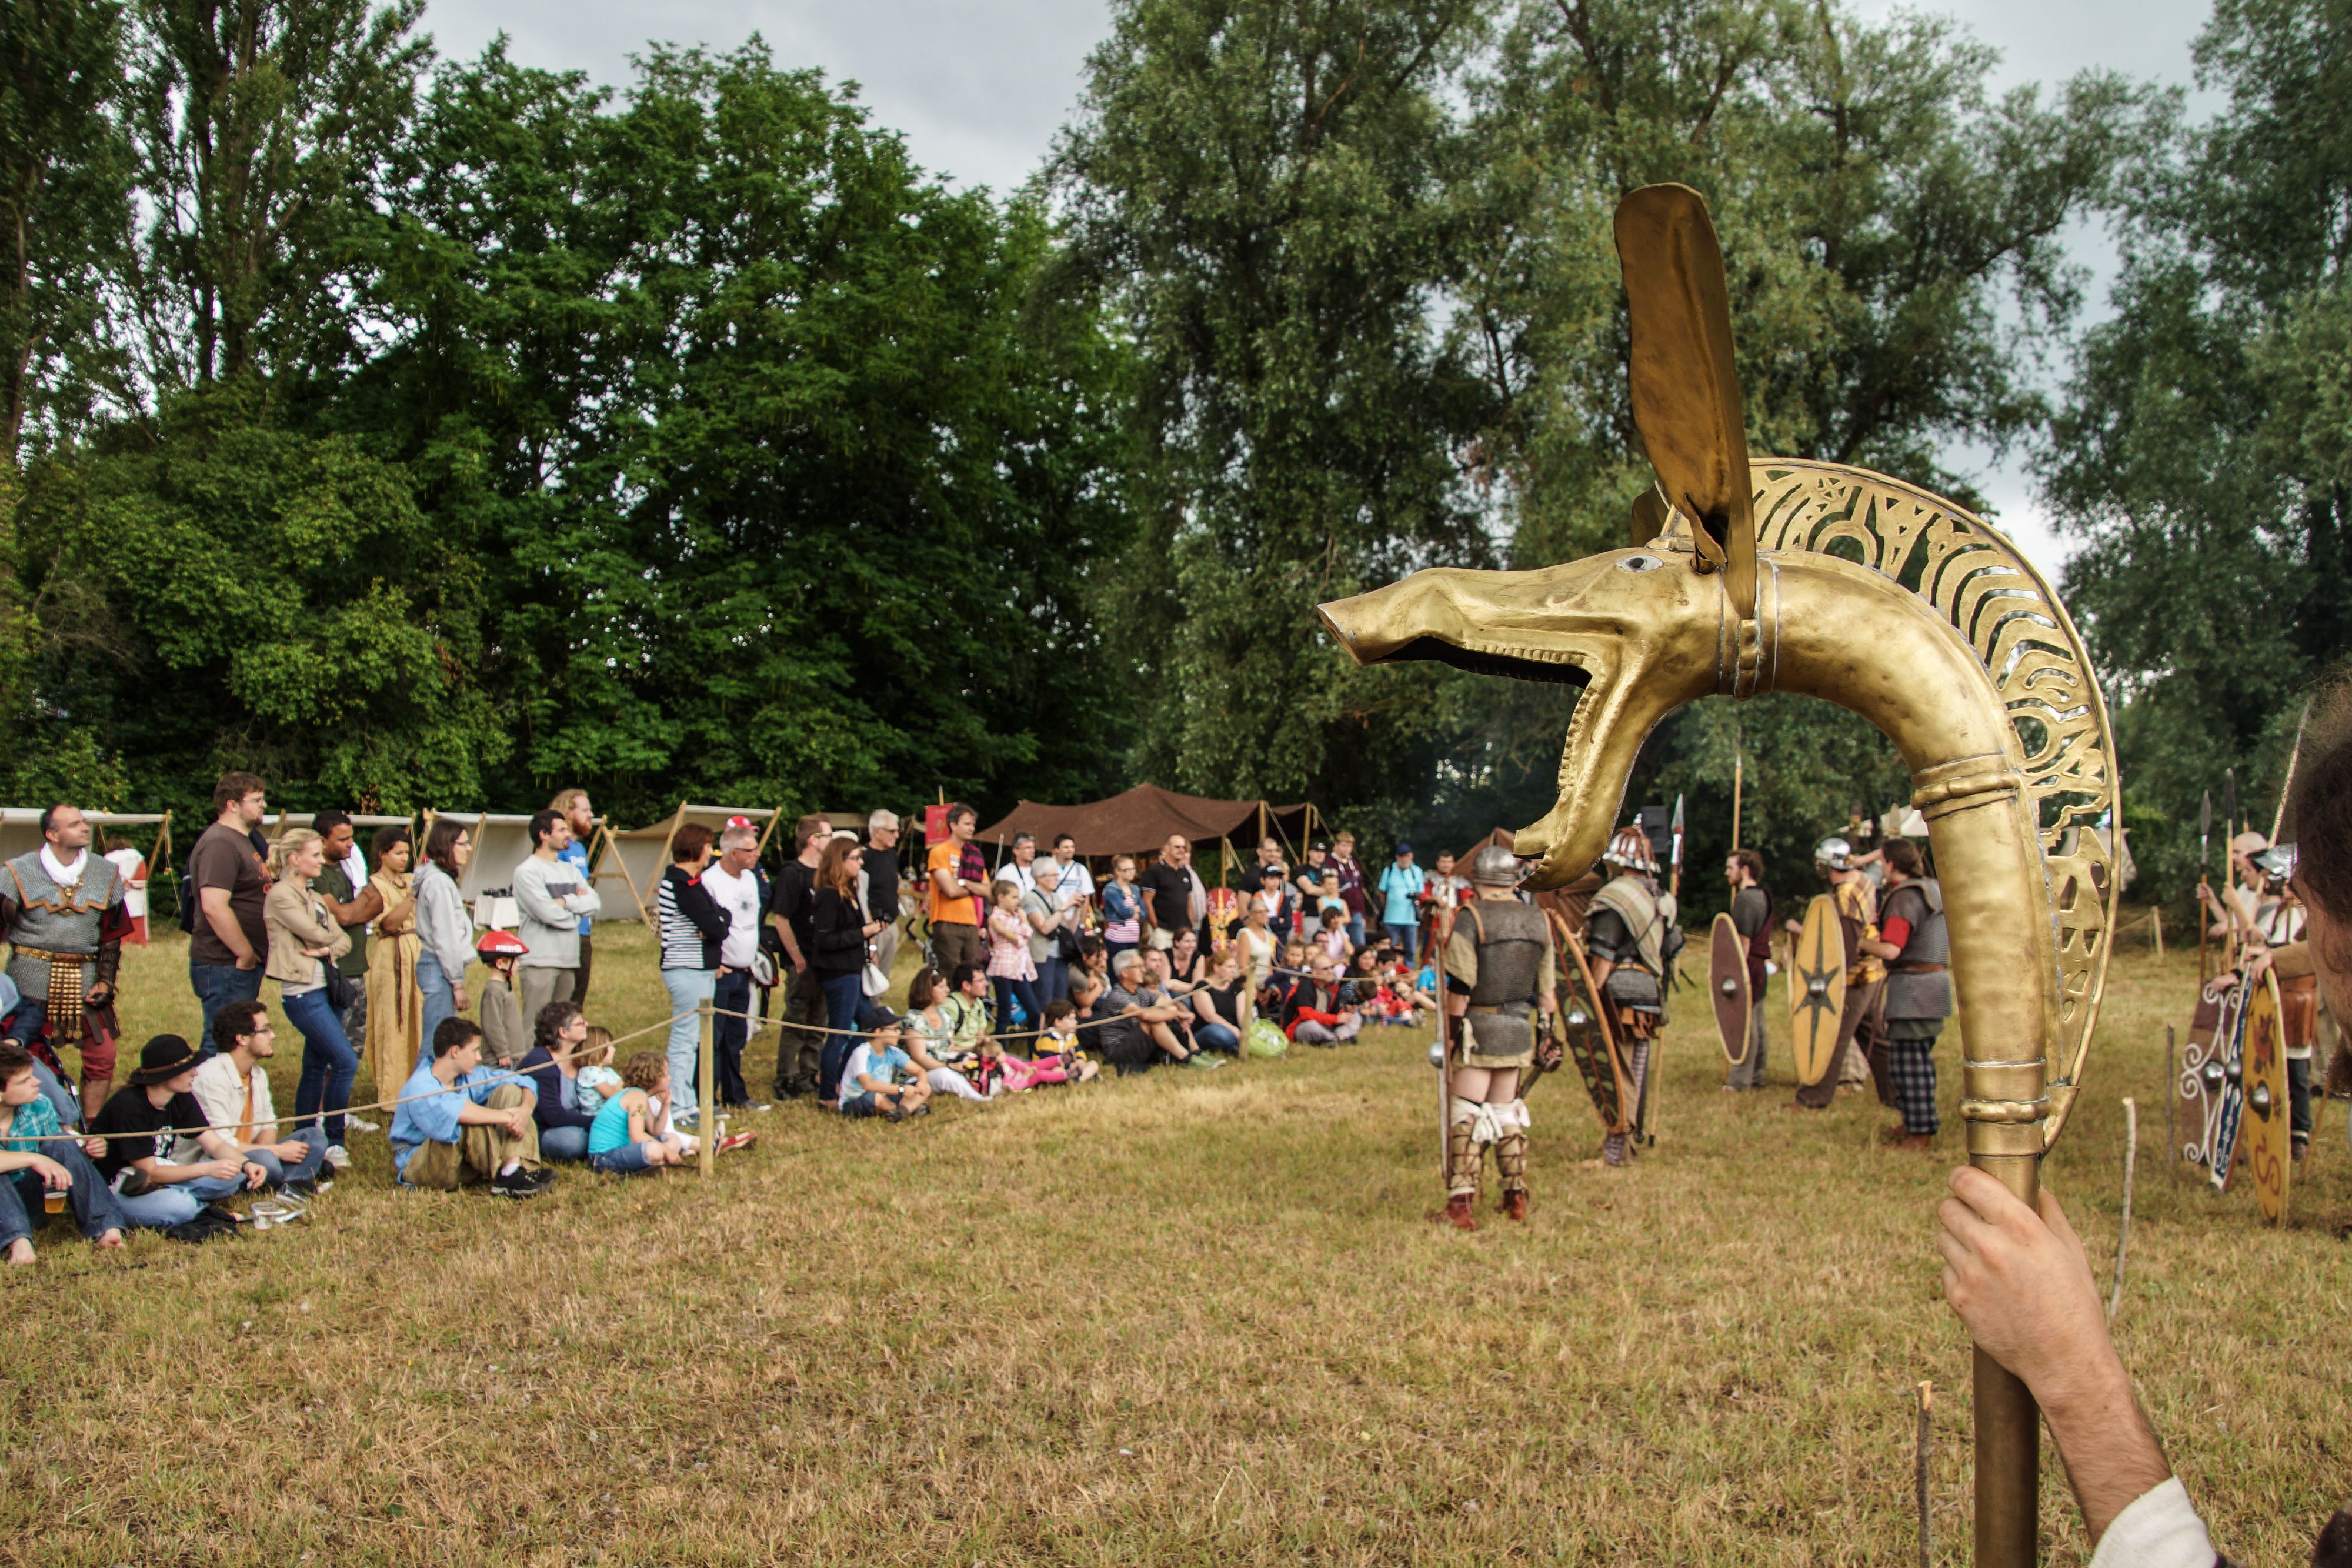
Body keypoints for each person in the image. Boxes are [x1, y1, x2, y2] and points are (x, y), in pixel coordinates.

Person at [1436, 843, 1558, 1229]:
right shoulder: (1537, 921)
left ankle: (1460, 1206)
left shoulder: (1472, 918)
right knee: (1507, 1115)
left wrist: (1451, 1037)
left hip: (1481, 1029)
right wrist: (1546, 1037)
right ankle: (1515, 1196)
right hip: (1519, 1029)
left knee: (1467, 1114)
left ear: (1478, 880)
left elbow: (1460, 988)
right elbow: (1548, 994)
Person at [1, 802, 129, 1122]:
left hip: (85, 976)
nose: (85, 828)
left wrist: (105, 980)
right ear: (52, 834)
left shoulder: (106, 872)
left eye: (83, 822)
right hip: (27, 977)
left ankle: (91, 1126)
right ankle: (34, 1122)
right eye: (74, 824)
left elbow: (111, 934)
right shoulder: (17, 872)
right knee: (20, 1053)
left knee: (103, 1054)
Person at [91, 1035, 271, 1230]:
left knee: (234, 1174)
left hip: (161, 1177)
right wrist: (207, 1169)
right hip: (122, 1188)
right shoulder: (129, 1106)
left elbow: (215, 1144)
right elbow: (150, 1172)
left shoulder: (180, 1096)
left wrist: (246, 1164)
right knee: (180, 1206)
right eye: (188, 1068)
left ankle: (181, 1198)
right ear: (167, 1075)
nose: (195, 1073)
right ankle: (193, 1207)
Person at [264, 828, 358, 1170]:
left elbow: (343, 941)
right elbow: (316, 933)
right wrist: (328, 943)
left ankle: (304, 1135)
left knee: (316, 1065)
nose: (322, 861)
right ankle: (334, 1140)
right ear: (295, 859)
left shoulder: (315, 896)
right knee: (345, 1062)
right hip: (302, 990)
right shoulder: (281, 895)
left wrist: (327, 947)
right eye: (316, 855)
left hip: (325, 986)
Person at [387, 1017, 549, 1197]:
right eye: (475, 1051)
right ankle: (508, 1174)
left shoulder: (468, 1077)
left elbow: (525, 1081)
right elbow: (458, 1112)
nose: (479, 1057)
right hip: (424, 1165)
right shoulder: (420, 1086)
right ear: (455, 1052)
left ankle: (515, 1169)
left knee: (511, 1091)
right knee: (463, 1123)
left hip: (460, 1164)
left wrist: (524, 1111)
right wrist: (509, 1117)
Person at [1585, 825, 1670, 1166]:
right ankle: (1626, 1145)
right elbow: (1672, 947)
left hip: (1618, 994)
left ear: (1617, 862)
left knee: (1616, 1075)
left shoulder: (1614, 898)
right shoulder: (1661, 898)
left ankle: (1615, 1152)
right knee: (1634, 1068)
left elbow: (1603, 955)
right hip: (1649, 991)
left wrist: (1589, 995)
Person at [1862, 838, 1950, 1149]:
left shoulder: (1905, 898)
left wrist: (1859, 944)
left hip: (1915, 990)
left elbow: (1890, 948)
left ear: (1889, 865)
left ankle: (1920, 1134)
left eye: (1882, 862)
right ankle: (1914, 1123)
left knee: (1910, 1064)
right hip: (1928, 987)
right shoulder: (1930, 888)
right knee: (1909, 1061)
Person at [0, 1041, 124, 1260]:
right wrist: (34, 1159)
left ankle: (106, 1228)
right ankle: (19, 1245)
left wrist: (86, 1154)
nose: (36, 1082)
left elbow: (56, 1155)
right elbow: (37, 1160)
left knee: (62, 1141)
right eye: (24, 1080)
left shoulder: (39, 1105)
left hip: (30, 1202)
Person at [191, 1001, 330, 1193]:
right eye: (265, 1031)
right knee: (268, 1161)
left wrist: (268, 1151)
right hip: (221, 1159)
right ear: (242, 1038)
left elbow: (268, 1124)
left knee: (314, 1138)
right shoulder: (211, 1077)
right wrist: (275, 1152)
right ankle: (291, 1180)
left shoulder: (258, 1074)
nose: (272, 1036)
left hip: (255, 1154)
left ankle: (281, 1183)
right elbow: (219, 1143)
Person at [1787, 835, 1883, 1110]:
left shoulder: (1844, 896)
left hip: (1855, 978)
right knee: (1877, 1041)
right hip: (1874, 973)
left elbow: (1845, 947)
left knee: (1832, 1035)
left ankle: (1812, 1098)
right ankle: (1895, 1094)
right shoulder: (1863, 881)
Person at [188, 772, 272, 1044]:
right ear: (232, 804)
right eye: (257, 800)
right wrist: (245, 954)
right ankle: (204, 1088)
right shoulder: (220, 843)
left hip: (236, 965)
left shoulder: (242, 840)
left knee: (235, 1041)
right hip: (224, 963)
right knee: (222, 1041)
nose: (264, 805)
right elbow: (213, 905)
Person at [656, 824, 729, 1126]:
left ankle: (687, 1102)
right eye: (709, 846)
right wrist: (716, 924)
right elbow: (716, 926)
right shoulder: (682, 885)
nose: (711, 853)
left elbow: (721, 916)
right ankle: (677, 1106)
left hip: (699, 969)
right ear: (697, 849)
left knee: (693, 1039)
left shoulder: (691, 884)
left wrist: (717, 922)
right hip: (686, 969)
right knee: (685, 1039)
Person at [809, 835, 885, 1104]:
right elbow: (825, 939)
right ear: (840, 861)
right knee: (840, 1032)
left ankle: (838, 1078)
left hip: (852, 970)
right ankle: (827, 1092)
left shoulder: (849, 891)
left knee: (869, 1026)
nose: (860, 863)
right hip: (838, 973)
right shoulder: (829, 895)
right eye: (855, 858)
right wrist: (862, 933)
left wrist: (869, 935)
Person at [512, 808, 601, 1025]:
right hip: (539, 962)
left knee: (562, 1029)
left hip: (568, 960)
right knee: (535, 1026)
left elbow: (595, 903)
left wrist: (566, 902)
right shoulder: (527, 871)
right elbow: (547, 913)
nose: (568, 835)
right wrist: (576, 913)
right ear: (544, 835)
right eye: (561, 830)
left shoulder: (569, 871)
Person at [702, 820, 768, 1112]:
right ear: (731, 852)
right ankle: (708, 1096)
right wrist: (714, 962)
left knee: (735, 1036)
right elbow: (704, 928)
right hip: (722, 971)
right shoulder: (711, 881)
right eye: (750, 850)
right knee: (713, 1037)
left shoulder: (750, 879)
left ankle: (735, 1095)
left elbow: (751, 921)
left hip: (745, 970)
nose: (756, 855)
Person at [768, 813, 833, 1100]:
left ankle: (809, 1073)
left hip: (826, 959)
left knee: (819, 1021)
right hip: (803, 960)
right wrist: (797, 958)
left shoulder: (826, 873)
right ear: (813, 840)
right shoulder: (792, 873)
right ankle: (786, 1077)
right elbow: (781, 919)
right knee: (797, 1019)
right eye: (828, 836)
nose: (831, 842)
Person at [308, 810, 382, 1047]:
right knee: (333, 1047)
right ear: (322, 840)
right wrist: (365, 896)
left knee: (354, 1043)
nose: (350, 844)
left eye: (351, 838)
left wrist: (354, 911)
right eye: (343, 840)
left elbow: (378, 904)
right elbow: (342, 916)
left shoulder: (347, 867)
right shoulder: (318, 875)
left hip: (356, 967)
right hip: (335, 971)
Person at [363, 825, 423, 1113]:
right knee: (394, 1018)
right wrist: (412, 897)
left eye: (406, 853)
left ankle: (419, 1083)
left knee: (419, 1016)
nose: (404, 858)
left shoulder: (411, 878)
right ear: (382, 854)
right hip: (393, 953)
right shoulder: (375, 884)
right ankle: (392, 1091)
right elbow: (388, 923)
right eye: (398, 853)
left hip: (417, 950)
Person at [412, 817, 475, 1052]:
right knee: (435, 1043)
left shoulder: (439, 879)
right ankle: (423, 1089)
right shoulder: (438, 883)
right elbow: (445, 936)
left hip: (440, 967)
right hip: (439, 967)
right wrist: (457, 983)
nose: (468, 849)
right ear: (447, 846)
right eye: (463, 844)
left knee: (441, 1039)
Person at [516, 1003, 597, 1163]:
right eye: (580, 1023)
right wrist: (597, 1122)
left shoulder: (578, 1056)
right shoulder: (541, 1062)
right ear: (563, 1032)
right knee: (574, 1141)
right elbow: (554, 1116)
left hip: (574, 1122)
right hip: (542, 1131)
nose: (586, 1025)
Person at [1723, 848, 1774, 1090]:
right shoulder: (1763, 895)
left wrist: (1737, 972)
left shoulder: (1745, 898)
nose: (1727, 873)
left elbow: (1743, 940)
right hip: (1760, 967)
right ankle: (1757, 1074)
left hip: (1749, 966)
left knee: (1746, 1024)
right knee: (1758, 1020)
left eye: (1730, 868)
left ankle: (1741, 1079)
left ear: (1744, 870)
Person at [586, 1051, 687, 1174]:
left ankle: (654, 1163)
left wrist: (665, 1105)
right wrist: (666, 1150)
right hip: (602, 1158)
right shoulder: (637, 1096)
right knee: (655, 1150)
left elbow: (656, 1130)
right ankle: (653, 1165)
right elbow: (637, 1136)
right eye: (666, 1075)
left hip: (623, 1149)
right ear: (653, 1078)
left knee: (674, 1139)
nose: (670, 1078)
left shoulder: (642, 1096)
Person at [900, 968, 987, 1102]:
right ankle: (977, 1098)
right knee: (944, 1075)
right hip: (922, 1074)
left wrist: (972, 1053)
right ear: (928, 990)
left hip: (945, 1063)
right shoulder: (913, 1019)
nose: (947, 990)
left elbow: (950, 1048)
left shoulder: (944, 1015)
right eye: (941, 987)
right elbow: (920, 1058)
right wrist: (950, 1067)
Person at [548, 789, 600, 1005]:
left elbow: (585, 892)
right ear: (568, 813)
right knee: (560, 1001)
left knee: (578, 999)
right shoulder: (557, 849)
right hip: (564, 932)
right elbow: (557, 892)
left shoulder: (579, 848)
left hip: (583, 931)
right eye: (585, 810)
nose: (591, 815)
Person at [839, 1012, 930, 1119]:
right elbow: (868, 1085)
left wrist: (922, 1083)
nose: (899, 1032)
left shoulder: (892, 1052)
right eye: (894, 1029)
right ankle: (905, 1110)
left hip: (884, 1095)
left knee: (927, 1088)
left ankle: (898, 1114)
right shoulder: (862, 1053)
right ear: (879, 1032)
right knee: (876, 1098)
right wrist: (901, 1089)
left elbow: (920, 1071)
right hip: (855, 1101)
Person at [984, 878, 1042, 1039]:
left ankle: (1034, 1049)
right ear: (1001, 897)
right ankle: (999, 1049)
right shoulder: (996, 918)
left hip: (1020, 968)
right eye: (1014, 897)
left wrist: (1022, 929)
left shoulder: (1015, 917)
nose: (1018, 901)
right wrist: (1024, 922)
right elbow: (1021, 937)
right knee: (1004, 1011)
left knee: (1034, 1011)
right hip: (1004, 968)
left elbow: (1025, 935)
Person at [1139, 835, 1205, 953]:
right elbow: (1147, 900)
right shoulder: (1154, 872)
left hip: (1183, 930)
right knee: (1162, 965)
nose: (1181, 850)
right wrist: (1155, 925)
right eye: (1177, 847)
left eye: (1184, 847)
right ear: (1167, 848)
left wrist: (1189, 924)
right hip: (1163, 929)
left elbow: (1189, 900)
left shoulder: (1185, 872)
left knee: (1183, 965)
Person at [1282, 951, 1362, 1047]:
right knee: (1312, 1026)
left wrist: (1345, 1012)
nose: (1330, 971)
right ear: (1315, 972)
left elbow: (1337, 1011)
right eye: (1326, 969)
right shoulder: (1305, 985)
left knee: (1355, 1017)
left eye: (1332, 967)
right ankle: (1337, 1039)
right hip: (1301, 1027)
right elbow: (1306, 1015)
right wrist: (1335, 1019)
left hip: (1326, 1025)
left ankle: (1334, 1039)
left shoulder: (1333, 987)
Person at [473, 929, 530, 1066]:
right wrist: (502, 1052)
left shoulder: (503, 987)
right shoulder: (493, 990)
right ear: (501, 963)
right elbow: (492, 1024)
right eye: (515, 960)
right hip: (501, 1061)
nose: (518, 964)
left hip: (512, 1057)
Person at [863, 810, 906, 981]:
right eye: (892, 831)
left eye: (897, 831)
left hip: (891, 923)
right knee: (870, 976)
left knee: (883, 977)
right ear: (877, 832)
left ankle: (878, 1006)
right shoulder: (864, 857)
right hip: (873, 926)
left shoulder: (891, 855)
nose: (896, 835)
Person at [1027, 863, 1076, 1005]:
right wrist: (1064, 908)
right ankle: (1043, 1027)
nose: (1057, 879)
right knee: (1044, 999)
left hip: (1060, 954)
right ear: (1040, 878)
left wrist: (1077, 909)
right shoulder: (1030, 898)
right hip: (1042, 956)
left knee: (1060, 999)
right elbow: (1044, 928)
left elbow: (1069, 929)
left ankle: (1059, 1027)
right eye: (1053, 876)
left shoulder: (1055, 897)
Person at [1377, 841, 1427, 965]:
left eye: (1407, 856)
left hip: (1410, 919)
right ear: (1397, 857)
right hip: (1392, 918)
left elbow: (1420, 893)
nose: (1404, 859)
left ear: (1411, 856)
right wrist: (1386, 907)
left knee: (1411, 951)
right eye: (1402, 856)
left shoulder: (1416, 871)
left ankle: (1409, 975)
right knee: (1391, 950)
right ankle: (1391, 974)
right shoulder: (1389, 870)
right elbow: (1382, 892)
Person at [1190, 951, 1247, 1055]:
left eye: (1234, 967)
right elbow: (1210, 1017)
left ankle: (1237, 1045)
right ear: (1217, 968)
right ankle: (1235, 1045)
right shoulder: (1202, 986)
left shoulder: (1237, 989)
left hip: (1234, 1031)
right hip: (1209, 1029)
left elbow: (1242, 1016)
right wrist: (1235, 1031)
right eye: (1230, 967)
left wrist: (1245, 1032)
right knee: (1215, 1032)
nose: (1233, 971)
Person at [102, 833, 149, 945]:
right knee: (135, 917)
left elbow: (106, 876)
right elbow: (141, 876)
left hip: (117, 894)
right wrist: (130, 882)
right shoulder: (137, 856)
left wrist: (122, 882)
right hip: (135, 894)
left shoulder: (109, 858)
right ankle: (138, 941)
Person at [1100, 855, 1143, 965]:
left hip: (1133, 937)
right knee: (1118, 968)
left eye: (1133, 869)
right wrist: (1134, 911)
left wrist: (1135, 913)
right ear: (1117, 871)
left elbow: (1144, 912)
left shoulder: (1135, 889)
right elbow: (1123, 911)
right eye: (1127, 870)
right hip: (1117, 939)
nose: (1131, 872)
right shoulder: (1111, 890)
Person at [1330, 830, 1368, 952]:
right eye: (1344, 845)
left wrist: (1363, 914)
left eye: (1350, 846)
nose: (1347, 849)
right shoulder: (1329, 863)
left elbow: (1359, 889)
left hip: (1356, 912)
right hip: (1338, 911)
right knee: (1338, 946)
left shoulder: (1354, 864)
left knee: (1359, 947)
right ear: (1336, 845)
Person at [1046, 834, 1095, 912]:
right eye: (1066, 847)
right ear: (1056, 850)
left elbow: (1086, 898)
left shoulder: (1081, 869)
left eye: (1072, 847)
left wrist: (1082, 923)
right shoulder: (1047, 868)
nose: (1070, 850)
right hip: (1052, 916)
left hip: (1074, 918)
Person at [996, 832, 1039, 897]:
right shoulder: (1006, 872)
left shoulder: (1038, 871)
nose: (1032, 851)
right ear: (1016, 850)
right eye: (1028, 848)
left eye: (1033, 848)